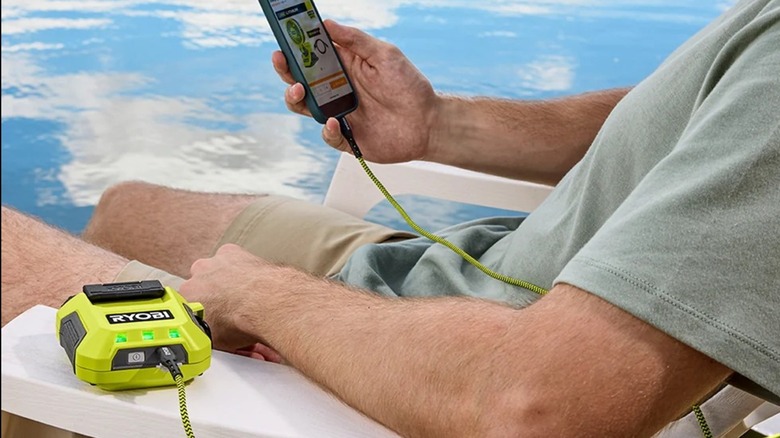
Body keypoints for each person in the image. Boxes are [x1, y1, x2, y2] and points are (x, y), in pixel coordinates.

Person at [2, 0, 778, 436]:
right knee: (130, 209)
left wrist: (266, 298)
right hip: (480, 272)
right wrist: (441, 124)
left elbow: (536, 409)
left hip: (467, 364)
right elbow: (700, 120)